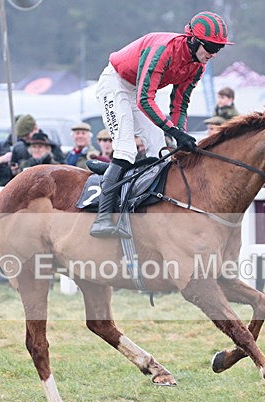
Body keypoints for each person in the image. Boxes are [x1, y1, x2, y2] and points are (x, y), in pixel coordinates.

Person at [90, 10, 232, 238]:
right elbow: (145, 99)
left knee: (160, 153)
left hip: (138, 91)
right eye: (211, 47)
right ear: (193, 40)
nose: (214, 54)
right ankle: (102, 219)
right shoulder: (164, 50)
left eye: (219, 48)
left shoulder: (198, 66)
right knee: (126, 149)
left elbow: (179, 105)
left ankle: (149, 213)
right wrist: (174, 130)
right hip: (115, 84)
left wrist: (180, 137)